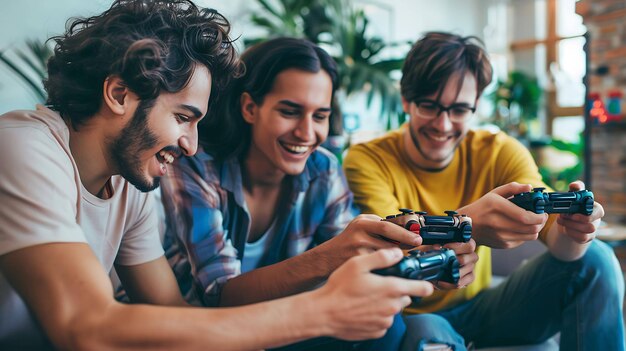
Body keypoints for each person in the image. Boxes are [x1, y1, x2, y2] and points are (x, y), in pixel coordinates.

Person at [0, 1, 433, 349]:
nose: (190, 143)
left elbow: (174, 311)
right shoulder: (22, 145)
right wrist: (321, 311)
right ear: (119, 94)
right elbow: (87, 328)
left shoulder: (128, 183)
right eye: (183, 118)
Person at [160, 37, 466, 350]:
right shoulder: (195, 167)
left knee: (400, 326)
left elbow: (356, 271)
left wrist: (429, 265)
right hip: (211, 333)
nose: (307, 134)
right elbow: (221, 296)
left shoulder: (322, 169)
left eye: (319, 116)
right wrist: (332, 254)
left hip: (293, 324)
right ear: (250, 107)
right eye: (290, 112)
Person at [343, 31, 625, 350]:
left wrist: (575, 233)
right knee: (427, 327)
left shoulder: (499, 151)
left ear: (476, 106)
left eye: (460, 110)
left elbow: (563, 249)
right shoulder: (368, 158)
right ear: (406, 100)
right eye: (429, 106)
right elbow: (389, 253)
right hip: (408, 311)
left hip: (483, 309)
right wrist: (467, 224)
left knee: (597, 257)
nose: (444, 124)